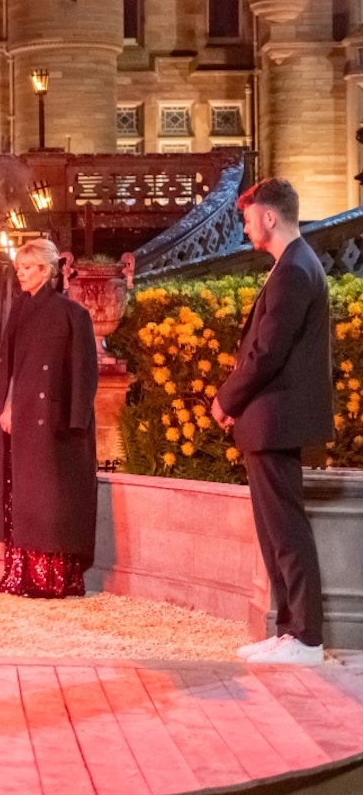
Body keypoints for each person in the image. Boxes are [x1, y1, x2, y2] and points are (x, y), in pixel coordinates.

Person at [211, 178, 332, 665]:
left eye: (247, 216)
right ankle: (290, 632)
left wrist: (225, 400)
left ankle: (305, 638)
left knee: (286, 531)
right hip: (271, 421)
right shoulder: (293, 265)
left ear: (269, 216)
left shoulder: (294, 269)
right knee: (275, 530)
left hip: (276, 419)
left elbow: (266, 353)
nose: (243, 226)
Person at [0, 237, 99, 598]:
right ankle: (24, 574)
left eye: (26, 269)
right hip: (23, 419)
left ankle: (51, 577)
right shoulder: (20, 309)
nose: (21, 276)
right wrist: (4, 407)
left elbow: (82, 372)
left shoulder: (71, 314)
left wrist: (75, 422)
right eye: (18, 269)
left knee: (50, 499)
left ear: (46, 269)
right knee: (23, 496)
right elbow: (12, 366)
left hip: (53, 423)